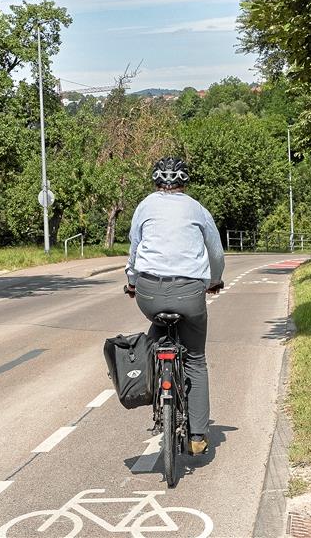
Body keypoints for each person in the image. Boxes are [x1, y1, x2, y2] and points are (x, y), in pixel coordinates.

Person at [125, 156, 225, 455]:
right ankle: (197, 436)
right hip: (190, 293)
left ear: (156, 182)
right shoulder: (197, 208)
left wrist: (132, 281)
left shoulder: (144, 206)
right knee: (195, 358)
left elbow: (134, 249)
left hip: (149, 292)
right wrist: (215, 280)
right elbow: (216, 253)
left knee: (156, 330)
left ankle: (156, 379)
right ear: (184, 182)